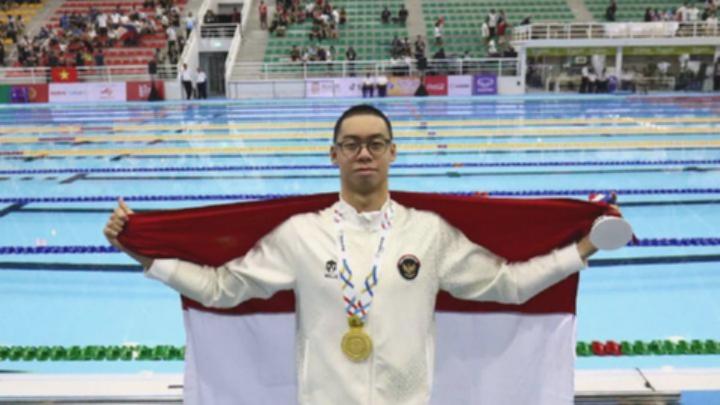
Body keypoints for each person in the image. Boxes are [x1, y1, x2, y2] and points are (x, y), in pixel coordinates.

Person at [104, 104, 602, 404]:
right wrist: (146, 257)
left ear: (392, 152)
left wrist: (582, 249)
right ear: (334, 155)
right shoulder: (300, 234)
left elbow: (508, 285)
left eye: (376, 143)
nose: (364, 153)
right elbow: (222, 289)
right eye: (352, 144)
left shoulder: (428, 233)